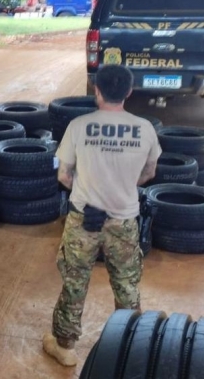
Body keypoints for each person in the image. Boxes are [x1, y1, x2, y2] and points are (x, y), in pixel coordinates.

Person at [43, 65, 161, 366]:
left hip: (84, 219)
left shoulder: (79, 126)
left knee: (75, 281)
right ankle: (132, 346)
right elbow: (149, 173)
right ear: (129, 92)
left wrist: (88, 188)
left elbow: (64, 175)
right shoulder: (145, 128)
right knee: (126, 284)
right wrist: (122, 185)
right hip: (124, 220)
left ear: (97, 91)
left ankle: (65, 346)